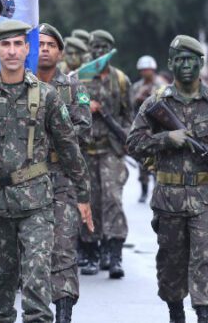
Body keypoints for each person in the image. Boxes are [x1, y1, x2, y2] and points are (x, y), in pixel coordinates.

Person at [0, 21, 91, 323]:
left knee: (37, 281)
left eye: (18, 44)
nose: (12, 51)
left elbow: (69, 148)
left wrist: (83, 195)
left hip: (37, 204)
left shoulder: (48, 96)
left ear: (27, 49)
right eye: (6, 45)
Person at [127, 35, 208, 323]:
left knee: (205, 260)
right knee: (171, 263)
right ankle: (175, 313)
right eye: (179, 60)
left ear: (200, 63)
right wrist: (167, 138)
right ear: (170, 64)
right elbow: (133, 143)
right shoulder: (156, 103)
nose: (185, 65)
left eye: (191, 59)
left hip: (206, 198)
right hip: (169, 198)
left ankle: (205, 316)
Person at [36, 23, 94, 322]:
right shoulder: (20, 85)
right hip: (26, 181)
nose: (44, 48)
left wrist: (51, 131)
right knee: (31, 254)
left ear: (60, 53)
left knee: (63, 249)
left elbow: (83, 133)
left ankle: (63, 313)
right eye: (40, 43)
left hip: (62, 177)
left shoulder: (73, 88)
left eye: (50, 45)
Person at [79, 29, 134, 279]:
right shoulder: (79, 79)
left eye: (103, 47)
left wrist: (125, 138)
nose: (98, 51)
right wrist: (83, 107)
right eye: (95, 47)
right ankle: (91, 251)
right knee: (89, 202)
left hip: (111, 149)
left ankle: (114, 254)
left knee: (112, 199)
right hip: (86, 149)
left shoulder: (120, 80)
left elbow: (129, 116)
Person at [131, 55, 167, 203]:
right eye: (143, 70)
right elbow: (130, 105)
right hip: (142, 126)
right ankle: (144, 190)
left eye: (148, 69)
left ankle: (157, 189)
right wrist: (138, 99)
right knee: (143, 161)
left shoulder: (161, 85)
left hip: (158, 127)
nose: (146, 72)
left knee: (158, 160)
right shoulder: (136, 86)